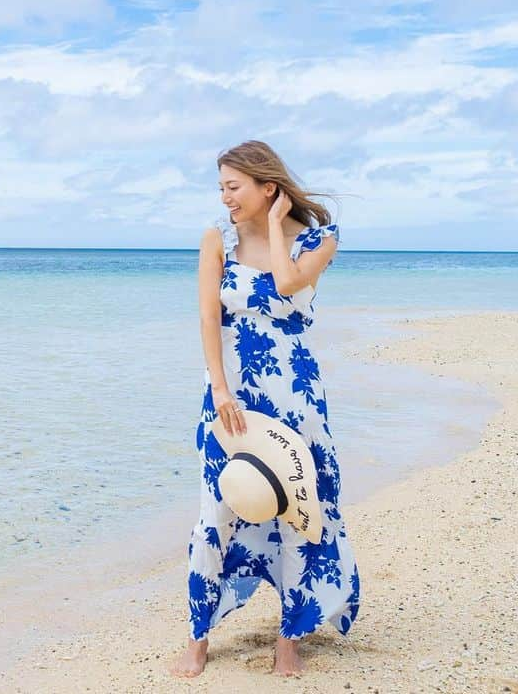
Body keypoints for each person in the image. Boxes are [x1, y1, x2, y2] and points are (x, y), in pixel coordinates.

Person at [168, 140, 361, 679]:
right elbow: (209, 319)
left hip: (296, 395)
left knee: (300, 508)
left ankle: (289, 640)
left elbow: (287, 283)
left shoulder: (320, 239)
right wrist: (221, 389)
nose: (226, 198)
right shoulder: (217, 241)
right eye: (221, 188)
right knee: (216, 511)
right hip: (232, 398)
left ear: (267, 187)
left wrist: (277, 227)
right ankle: (199, 636)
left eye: (234, 186)